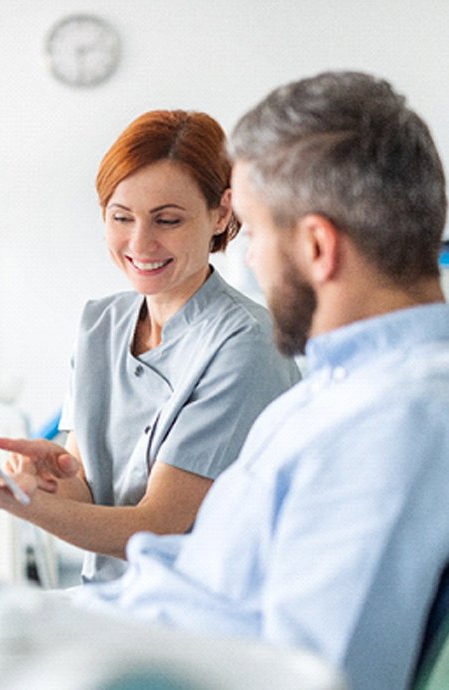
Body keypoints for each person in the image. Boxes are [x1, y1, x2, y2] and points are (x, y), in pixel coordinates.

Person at [68, 71, 449, 690]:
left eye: (256, 231)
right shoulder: (334, 391)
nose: (249, 257)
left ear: (317, 248)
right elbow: (200, 576)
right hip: (125, 633)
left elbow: (314, 675)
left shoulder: (395, 422)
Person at [0, 109, 300, 583]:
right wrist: (51, 480)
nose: (141, 243)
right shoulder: (101, 323)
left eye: (168, 220)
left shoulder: (245, 342)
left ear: (221, 213)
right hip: (112, 604)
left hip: (201, 620)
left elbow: (155, 528)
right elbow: (90, 496)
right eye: (122, 217)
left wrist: (24, 505)